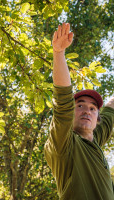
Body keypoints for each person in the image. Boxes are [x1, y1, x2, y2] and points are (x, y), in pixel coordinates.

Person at [44, 23, 114, 200]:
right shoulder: (64, 144)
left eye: (92, 108)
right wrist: (59, 53)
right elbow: (62, 104)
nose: (87, 111)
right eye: (80, 105)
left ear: (98, 118)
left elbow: (111, 109)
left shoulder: (95, 138)